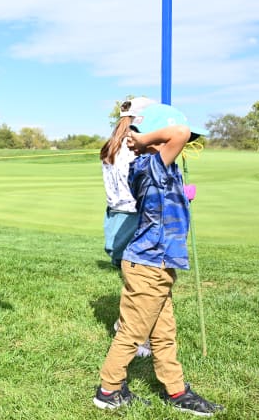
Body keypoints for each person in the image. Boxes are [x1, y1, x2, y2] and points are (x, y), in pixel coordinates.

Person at [93, 104, 224, 416]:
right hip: (149, 265)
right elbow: (177, 133)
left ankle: (176, 391)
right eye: (173, 139)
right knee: (132, 332)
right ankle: (108, 390)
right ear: (153, 140)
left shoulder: (160, 165)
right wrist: (142, 139)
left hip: (159, 264)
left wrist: (182, 195)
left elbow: (176, 139)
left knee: (164, 334)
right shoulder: (150, 163)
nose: (183, 143)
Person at [100, 97, 155, 357]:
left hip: (114, 216)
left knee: (133, 278)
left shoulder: (112, 144)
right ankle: (135, 334)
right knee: (141, 280)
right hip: (133, 216)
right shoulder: (135, 147)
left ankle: (131, 327)